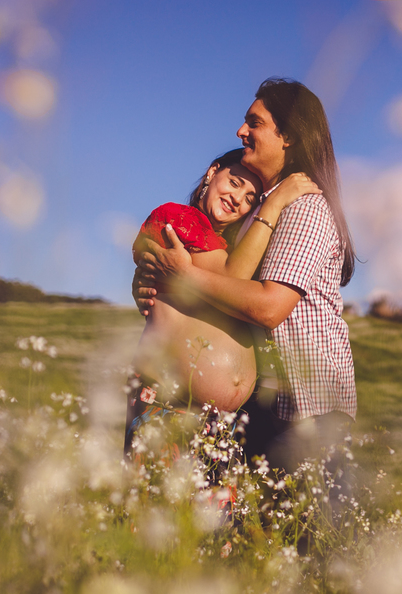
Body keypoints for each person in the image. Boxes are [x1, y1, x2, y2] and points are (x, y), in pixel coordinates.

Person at [135, 78, 358, 475]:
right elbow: (220, 283)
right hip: (258, 412)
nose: (241, 132)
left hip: (308, 406)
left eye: (254, 123)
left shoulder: (302, 206)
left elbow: (269, 307)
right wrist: (151, 281)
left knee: (311, 534)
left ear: (287, 135)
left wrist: (181, 275)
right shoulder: (251, 215)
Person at [126, 147, 319, 455]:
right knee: (162, 499)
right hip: (169, 402)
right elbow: (233, 278)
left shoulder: (223, 244)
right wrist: (273, 204)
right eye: (235, 183)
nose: (237, 199)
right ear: (213, 172)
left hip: (218, 420)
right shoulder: (180, 218)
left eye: (250, 200)